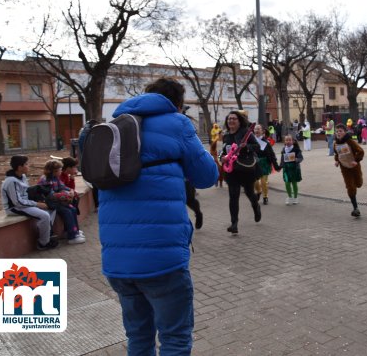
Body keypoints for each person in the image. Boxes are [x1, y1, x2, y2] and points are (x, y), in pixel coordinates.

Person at [99, 78, 218, 355]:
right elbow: (207, 177)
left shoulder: (114, 125)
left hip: (117, 261)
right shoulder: (177, 123)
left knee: (138, 337)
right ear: (177, 103)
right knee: (175, 338)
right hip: (162, 259)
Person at [1, 155, 58, 250]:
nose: (28, 166)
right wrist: (37, 204)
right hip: (14, 208)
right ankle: (43, 243)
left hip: (25, 204)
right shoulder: (11, 181)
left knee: (51, 208)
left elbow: (26, 193)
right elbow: (17, 202)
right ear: (19, 167)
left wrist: (38, 200)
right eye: (26, 164)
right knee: (44, 215)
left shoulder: (22, 176)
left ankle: (46, 233)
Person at [220, 111, 262, 234]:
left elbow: (256, 146)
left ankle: (256, 205)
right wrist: (222, 157)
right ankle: (234, 223)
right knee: (233, 196)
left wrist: (246, 147)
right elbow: (224, 150)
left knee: (249, 193)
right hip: (232, 171)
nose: (231, 121)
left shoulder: (245, 133)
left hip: (245, 168)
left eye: (234, 119)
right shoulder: (226, 136)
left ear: (239, 121)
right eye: (229, 119)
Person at [37, 159, 85, 245]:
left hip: (56, 202)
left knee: (73, 209)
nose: (61, 171)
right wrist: (65, 196)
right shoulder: (45, 180)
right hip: (49, 203)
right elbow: (51, 196)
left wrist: (70, 191)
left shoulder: (55, 178)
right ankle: (72, 237)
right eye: (59, 170)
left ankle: (74, 231)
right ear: (54, 171)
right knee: (67, 211)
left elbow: (63, 187)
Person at [333, 123, 364, 217]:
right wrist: (337, 161)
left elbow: (360, 151)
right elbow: (337, 154)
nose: (338, 133)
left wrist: (356, 160)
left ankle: (357, 183)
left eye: (340, 131)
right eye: (337, 131)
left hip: (354, 166)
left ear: (345, 132)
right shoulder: (335, 144)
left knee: (358, 184)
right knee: (350, 187)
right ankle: (355, 208)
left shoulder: (350, 141)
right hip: (344, 167)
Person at [253, 124, 280, 205]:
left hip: (264, 163)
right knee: (255, 182)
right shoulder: (251, 141)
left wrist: (276, 165)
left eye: (258, 129)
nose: (257, 130)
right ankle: (258, 191)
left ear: (262, 131)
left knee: (263, 182)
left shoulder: (266, 142)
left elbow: (271, 154)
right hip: (254, 163)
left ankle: (265, 197)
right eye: (255, 129)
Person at [279, 134, 304, 205]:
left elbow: (301, 158)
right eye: (286, 140)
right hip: (286, 169)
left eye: (290, 140)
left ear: (293, 141)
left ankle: (295, 198)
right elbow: (282, 159)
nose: (288, 141)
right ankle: (290, 197)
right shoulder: (283, 149)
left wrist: (297, 159)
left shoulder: (296, 149)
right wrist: (280, 166)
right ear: (284, 141)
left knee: (294, 183)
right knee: (287, 183)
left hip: (294, 168)